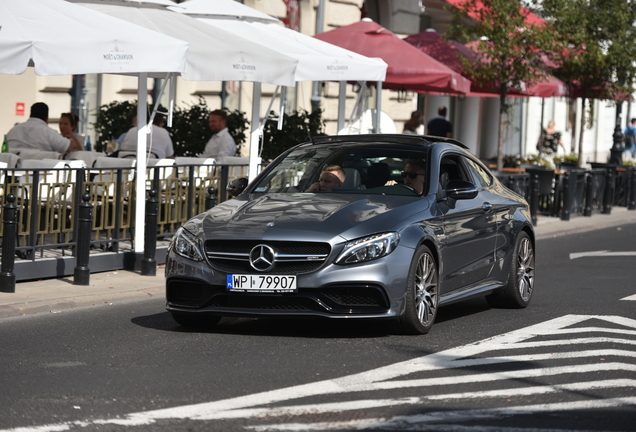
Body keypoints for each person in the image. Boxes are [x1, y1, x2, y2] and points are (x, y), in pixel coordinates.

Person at [5, 102, 83, 154]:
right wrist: (73, 140)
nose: (62, 126)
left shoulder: (13, 131)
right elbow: (67, 147)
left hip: (12, 173)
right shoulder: (49, 133)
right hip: (41, 175)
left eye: (65, 124)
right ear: (46, 118)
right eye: (61, 123)